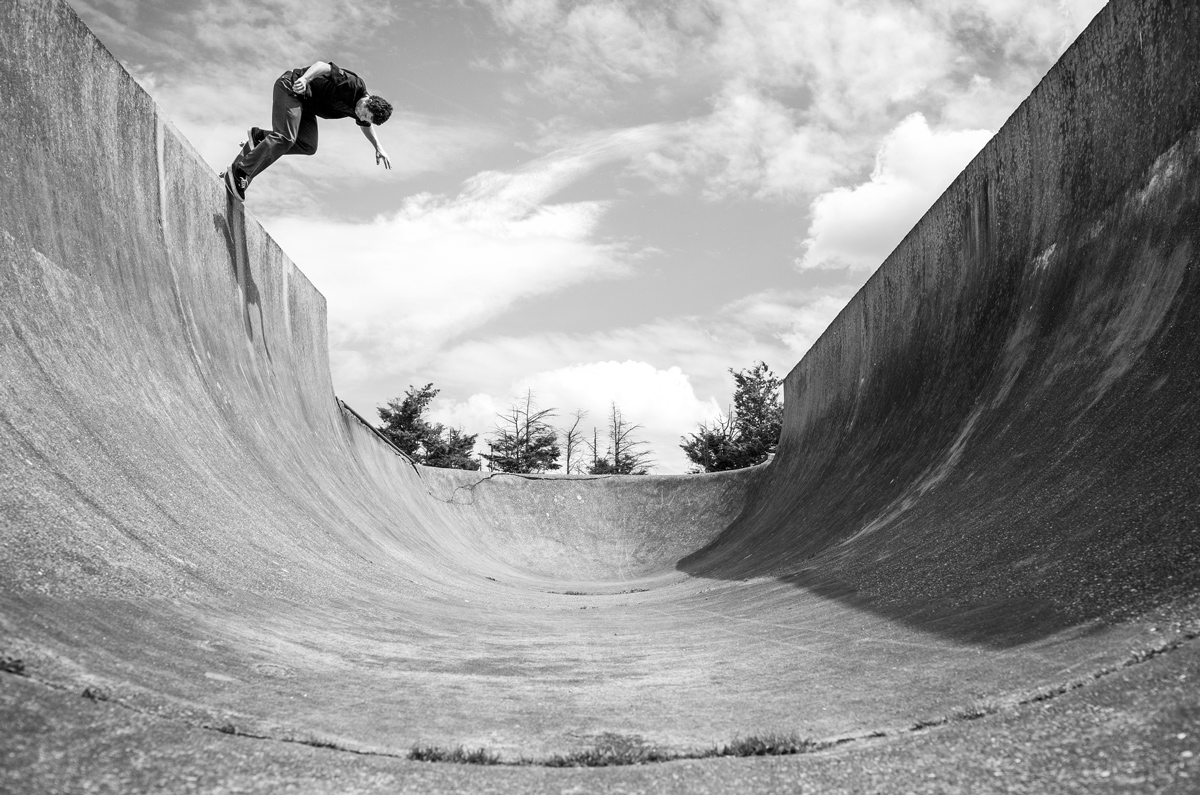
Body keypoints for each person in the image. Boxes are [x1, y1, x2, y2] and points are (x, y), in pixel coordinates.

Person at [222, 61, 393, 201]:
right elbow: (323, 66)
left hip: (306, 108)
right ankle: (240, 172)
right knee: (285, 137)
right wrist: (304, 79)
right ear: (368, 101)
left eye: (364, 118)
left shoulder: (361, 113)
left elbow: (366, 126)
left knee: (308, 145)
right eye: (364, 113)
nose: (360, 117)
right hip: (292, 87)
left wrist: (378, 147)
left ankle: (260, 138)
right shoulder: (353, 85)